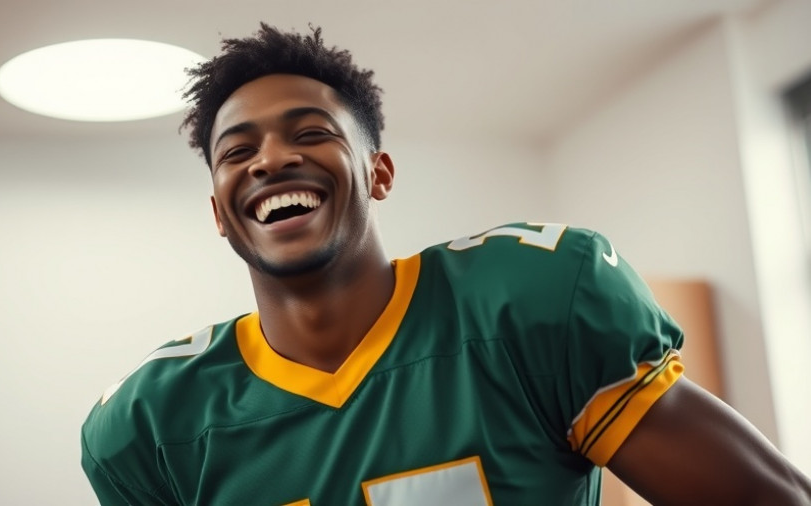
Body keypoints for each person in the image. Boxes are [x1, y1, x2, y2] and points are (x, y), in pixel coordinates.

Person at [81, 23, 811, 505]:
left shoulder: (527, 303)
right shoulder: (157, 422)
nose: (272, 159)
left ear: (379, 173)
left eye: (310, 132)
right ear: (217, 212)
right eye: (238, 152)